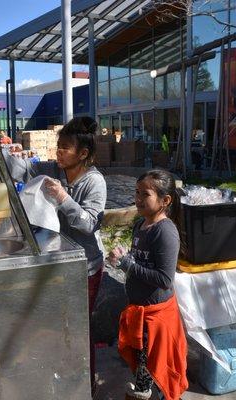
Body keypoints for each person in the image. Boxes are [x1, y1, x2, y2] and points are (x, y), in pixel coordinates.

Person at [107, 169, 188, 400]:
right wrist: (124, 260)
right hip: (140, 312)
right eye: (136, 192)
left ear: (165, 201)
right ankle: (143, 388)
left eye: (145, 194)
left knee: (157, 366)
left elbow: (164, 279)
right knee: (143, 361)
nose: (138, 199)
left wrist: (128, 265)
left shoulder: (165, 232)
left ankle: (148, 392)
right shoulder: (140, 225)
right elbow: (140, 262)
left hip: (156, 316)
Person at [41, 116, 107, 392]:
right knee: (62, 324)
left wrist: (63, 199)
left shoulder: (94, 182)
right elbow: (24, 170)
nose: (58, 152)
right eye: (58, 146)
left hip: (86, 266)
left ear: (83, 153)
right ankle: (66, 373)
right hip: (62, 263)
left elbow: (91, 223)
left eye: (65, 147)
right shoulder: (57, 171)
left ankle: (86, 383)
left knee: (81, 326)